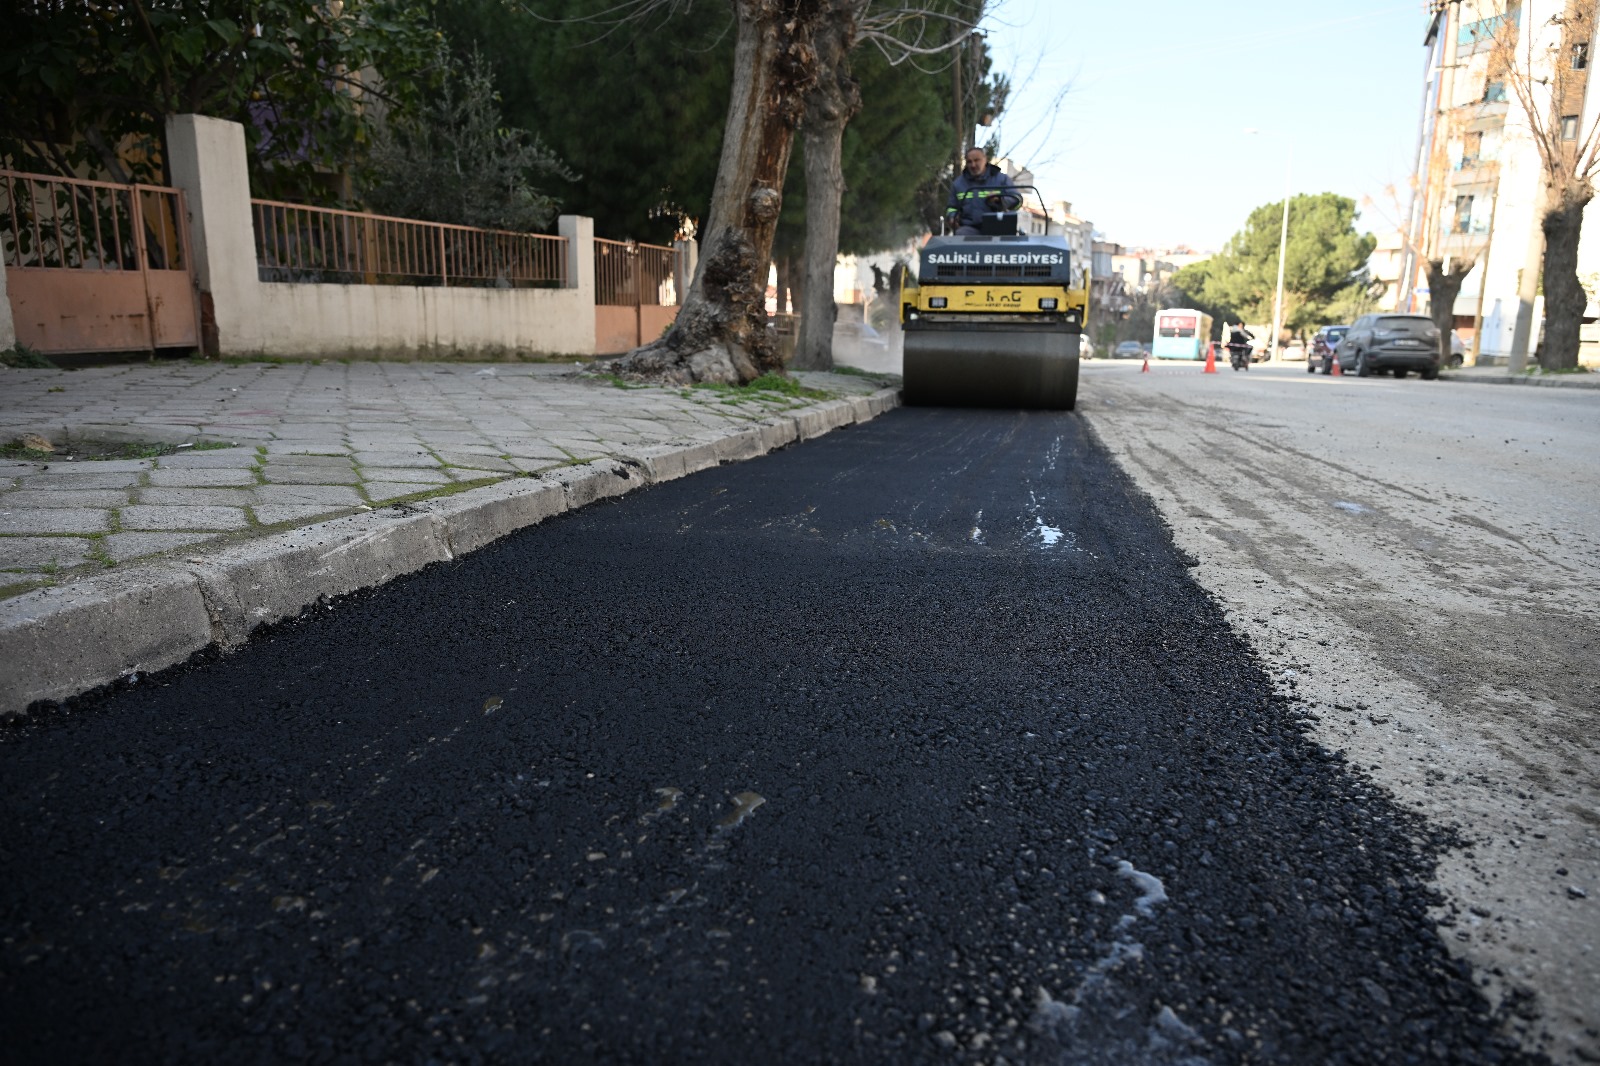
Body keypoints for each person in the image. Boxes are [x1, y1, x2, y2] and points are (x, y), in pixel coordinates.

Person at [945, 148, 1021, 235]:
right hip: (969, 229)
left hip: (998, 226)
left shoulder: (1002, 179)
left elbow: (1017, 200)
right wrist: (952, 216)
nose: (973, 165)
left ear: (985, 159)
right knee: (959, 238)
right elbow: (951, 207)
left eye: (976, 160)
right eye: (969, 162)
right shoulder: (958, 184)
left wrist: (1000, 200)